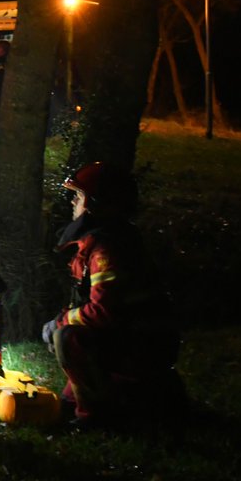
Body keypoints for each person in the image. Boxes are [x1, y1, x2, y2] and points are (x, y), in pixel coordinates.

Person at [42, 162, 185, 428]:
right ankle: (84, 402)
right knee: (66, 391)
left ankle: (96, 417)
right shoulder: (108, 240)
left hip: (140, 344)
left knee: (68, 337)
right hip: (136, 338)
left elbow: (103, 312)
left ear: (96, 203)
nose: (74, 201)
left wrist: (61, 321)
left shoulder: (106, 249)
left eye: (80, 195)